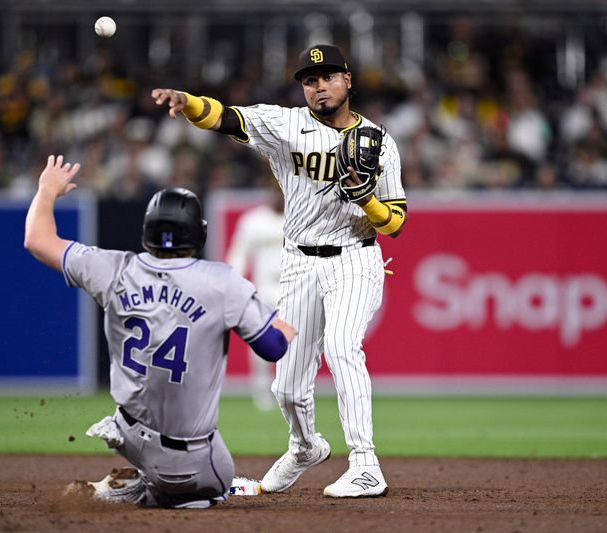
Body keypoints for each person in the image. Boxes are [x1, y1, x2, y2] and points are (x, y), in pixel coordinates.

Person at [151, 43, 407, 498]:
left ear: (348, 80)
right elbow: (224, 117)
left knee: (343, 346)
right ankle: (306, 445)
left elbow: (397, 223)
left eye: (328, 77)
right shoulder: (285, 124)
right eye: (310, 81)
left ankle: (366, 464)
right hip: (299, 263)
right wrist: (186, 101)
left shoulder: (378, 141)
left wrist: (365, 197)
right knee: (286, 386)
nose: (319, 86)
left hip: (354, 257)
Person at [24, 155, 297, 508]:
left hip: (127, 435)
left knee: (148, 443)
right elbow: (273, 346)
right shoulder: (221, 283)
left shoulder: (113, 269)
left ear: (147, 232)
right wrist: (286, 329)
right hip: (192, 460)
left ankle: (141, 479)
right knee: (217, 486)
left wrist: (46, 189)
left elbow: (36, 239)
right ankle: (152, 492)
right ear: (199, 233)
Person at [226, 184, 285, 411]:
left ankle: (289, 389)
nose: (278, 196)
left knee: (294, 344)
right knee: (262, 341)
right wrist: (237, 283)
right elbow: (239, 254)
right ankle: (262, 391)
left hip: (292, 291)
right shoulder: (254, 221)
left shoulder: (299, 217)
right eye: (275, 191)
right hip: (263, 292)